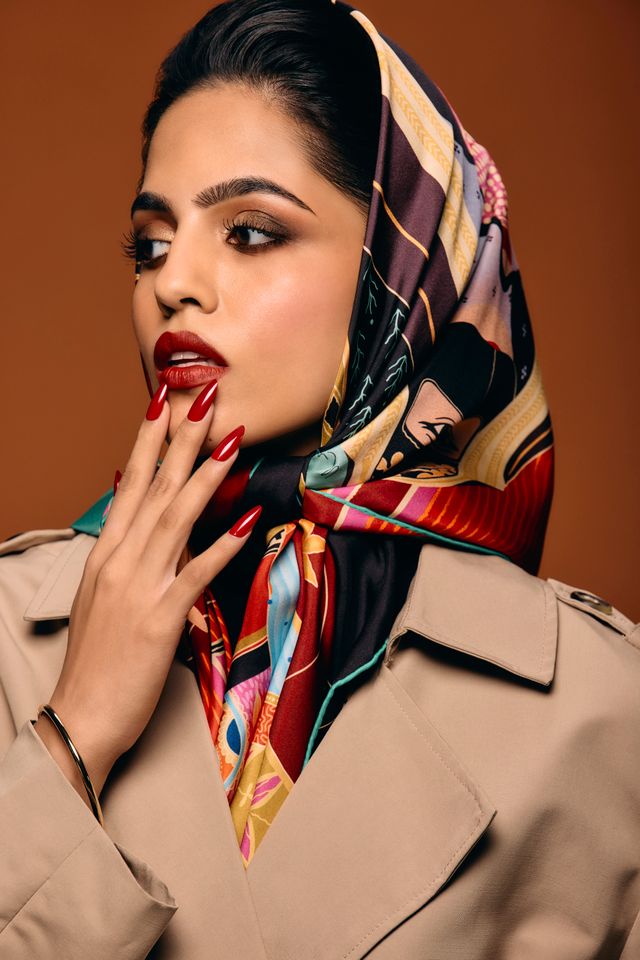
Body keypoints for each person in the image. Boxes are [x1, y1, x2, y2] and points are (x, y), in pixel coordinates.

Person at [0, 0, 638, 956]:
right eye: (152, 242)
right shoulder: (12, 635)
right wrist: (74, 734)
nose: (175, 283)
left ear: (403, 265)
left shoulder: (600, 711)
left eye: (251, 232)